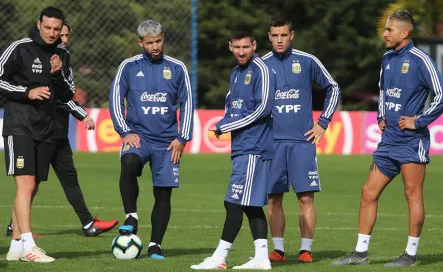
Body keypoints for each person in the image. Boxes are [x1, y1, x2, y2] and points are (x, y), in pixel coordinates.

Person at [331, 10, 443, 267]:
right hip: (388, 141)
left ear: (404, 33)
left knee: (412, 194)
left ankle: (411, 254)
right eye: (385, 29)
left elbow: (442, 95)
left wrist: (419, 121)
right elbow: (383, 90)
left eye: (389, 30)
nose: (384, 34)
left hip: (411, 141)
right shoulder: (386, 59)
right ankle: (360, 253)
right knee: (368, 193)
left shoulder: (420, 60)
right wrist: (381, 115)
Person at [5, 22, 119, 238]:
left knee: (45, 181)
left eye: (65, 35)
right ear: (42, 28)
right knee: (30, 182)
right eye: (60, 33)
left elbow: (66, 92)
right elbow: (58, 97)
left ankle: (19, 229)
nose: (62, 38)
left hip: (56, 131)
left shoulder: (62, 58)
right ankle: (19, 232)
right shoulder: (30, 52)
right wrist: (82, 114)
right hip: (42, 130)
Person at [191, 24, 275, 270]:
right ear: (230, 47)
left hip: (254, 147)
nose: (241, 52)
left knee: (233, 202)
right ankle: (261, 258)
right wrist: (224, 122)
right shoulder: (236, 72)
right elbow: (232, 104)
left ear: (254, 45)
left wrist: (227, 126)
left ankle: (219, 257)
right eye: (237, 47)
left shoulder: (262, 69)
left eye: (246, 47)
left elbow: (263, 109)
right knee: (250, 205)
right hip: (241, 146)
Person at [109, 19, 193, 259]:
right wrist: (125, 132)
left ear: (163, 38)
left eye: (158, 41)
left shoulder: (177, 68)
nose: (155, 47)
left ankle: (155, 244)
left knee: (163, 194)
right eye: (149, 43)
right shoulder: (129, 67)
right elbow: (115, 100)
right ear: (140, 43)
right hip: (140, 136)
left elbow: (187, 103)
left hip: (168, 142)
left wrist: (182, 138)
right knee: (129, 163)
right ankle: (131, 217)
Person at [261, 14, 341, 263]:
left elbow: (333, 88)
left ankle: (306, 249)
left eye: (284, 35)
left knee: (305, 197)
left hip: (302, 142)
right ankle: (279, 250)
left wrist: (322, 123)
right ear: (269, 37)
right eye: (275, 35)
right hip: (272, 143)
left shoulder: (307, 61)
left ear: (292, 35)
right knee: (273, 198)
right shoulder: (260, 65)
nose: (279, 40)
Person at [1, 6, 75, 263]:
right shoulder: (20, 48)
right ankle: (29, 246)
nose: (52, 33)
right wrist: (27, 92)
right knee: (25, 184)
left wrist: (56, 75)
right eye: (48, 28)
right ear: (39, 24)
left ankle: (15, 246)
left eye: (57, 29)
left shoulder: (62, 55)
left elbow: (67, 95)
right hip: (19, 126)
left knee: (31, 189)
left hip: (46, 129)